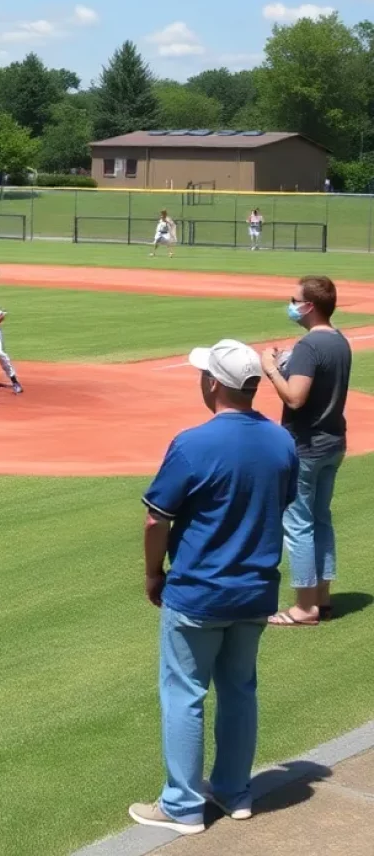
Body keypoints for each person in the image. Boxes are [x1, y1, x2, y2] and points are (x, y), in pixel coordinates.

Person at [129, 340, 298, 836]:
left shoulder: (193, 443)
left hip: (199, 592)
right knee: (240, 690)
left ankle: (182, 806)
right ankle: (233, 790)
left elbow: (155, 519)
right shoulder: (281, 441)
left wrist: (152, 572)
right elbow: (280, 503)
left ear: (214, 384)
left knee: (184, 695)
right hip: (256, 591)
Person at [261, 276, 352, 627]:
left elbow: (296, 398)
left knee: (298, 524)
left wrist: (271, 369)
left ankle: (304, 607)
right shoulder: (339, 341)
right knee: (321, 519)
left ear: (309, 306)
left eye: (294, 299)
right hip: (333, 442)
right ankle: (323, 599)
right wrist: (289, 362)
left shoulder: (309, 347)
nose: (290, 304)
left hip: (307, 445)